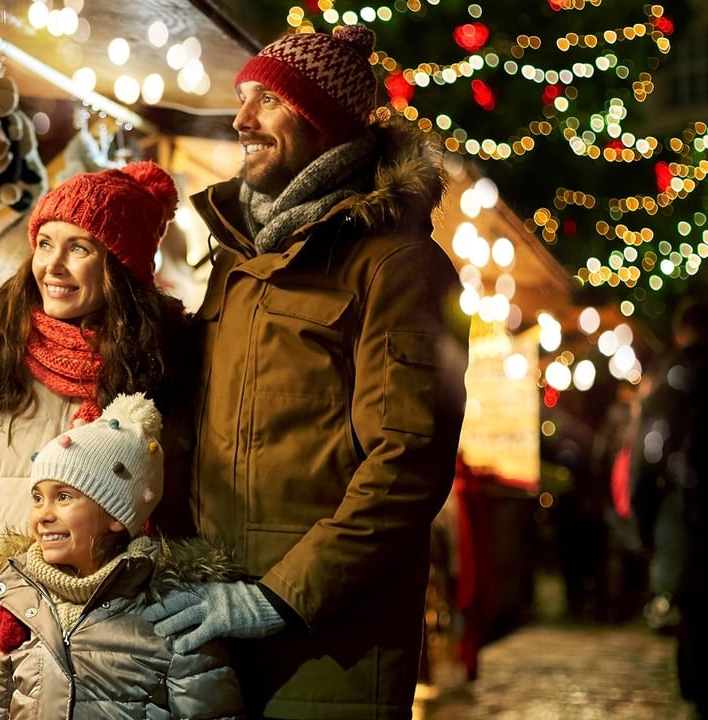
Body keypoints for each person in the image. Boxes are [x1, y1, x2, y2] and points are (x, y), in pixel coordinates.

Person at [143, 25, 469, 718]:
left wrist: (279, 597)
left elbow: (407, 465)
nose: (241, 119)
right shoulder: (237, 260)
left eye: (268, 100)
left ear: (323, 120)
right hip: (214, 629)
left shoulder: (399, 266)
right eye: (242, 98)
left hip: (334, 647)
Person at [0, 162, 189, 720]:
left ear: (120, 264)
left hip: (112, 672)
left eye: (80, 248)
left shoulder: (163, 370)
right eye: (46, 242)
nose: (52, 266)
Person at [0, 393, 245, 719]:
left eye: (63, 496)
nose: (42, 515)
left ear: (116, 515)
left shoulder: (173, 618)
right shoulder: (16, 604)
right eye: (37, 497)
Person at [632, 297, 708, 716]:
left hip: (684, 534)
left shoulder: (668, 390)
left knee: (693, 626)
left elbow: (647, 464)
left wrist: (645, 530)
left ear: (681, 334)